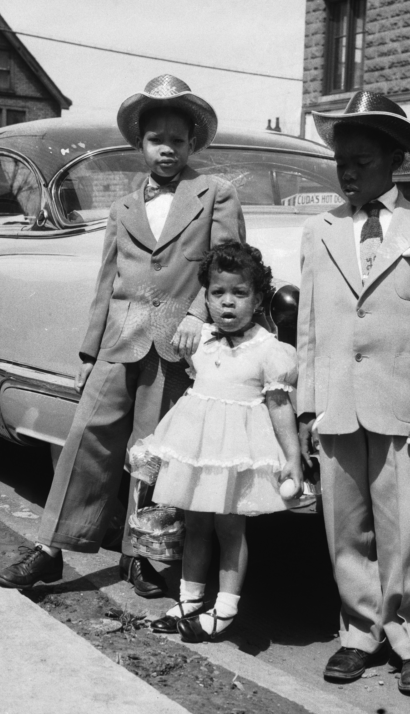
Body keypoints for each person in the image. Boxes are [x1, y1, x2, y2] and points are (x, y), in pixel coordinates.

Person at [0, 75, 246, 597]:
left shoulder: (216, 194)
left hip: (177, 341)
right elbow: (106, 281)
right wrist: (89, 350)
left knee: (152, 450)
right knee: (86, 439)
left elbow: (229, 266)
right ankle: (49, 548)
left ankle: (143, 556)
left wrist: (200, 315)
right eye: (158, 139)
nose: (168, 149)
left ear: (193, 143)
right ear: (141, 144)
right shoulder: (123, 207)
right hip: (120, 337)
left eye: (178, 140)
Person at [296, 91, 410, 694]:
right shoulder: (320, 230)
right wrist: (308, 405)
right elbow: (309, 327)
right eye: (342, 160)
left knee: (405, 527)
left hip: (400, 404)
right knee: (345, 528)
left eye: (363, 159)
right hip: (336, 401)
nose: (349, 171)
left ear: (396, 160)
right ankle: (359, 632)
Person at [128, 241, 304, 641]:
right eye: (217, 293)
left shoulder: (270, 350)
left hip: (236, 454)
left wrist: (292, 457)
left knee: (230, 529)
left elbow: (279, 408)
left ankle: (225, 608)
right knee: (195, 525)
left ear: (258, 299)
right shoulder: (199, 341)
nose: (227, 303)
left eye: (239, 294)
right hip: (198, 450)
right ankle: (190, 599)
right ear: (205, 296)